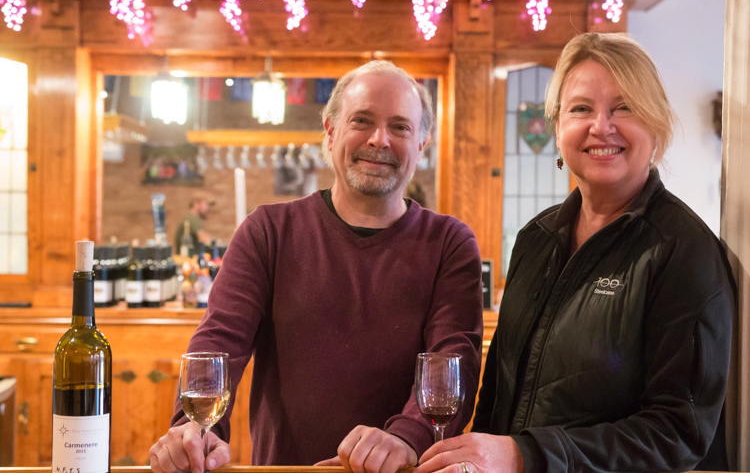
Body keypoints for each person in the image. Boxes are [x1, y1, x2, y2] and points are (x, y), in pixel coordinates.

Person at [416, 32, 735, 473]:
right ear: (559, 126)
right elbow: (498, 398)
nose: (601, 126)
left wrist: (524, 455)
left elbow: (677, 435)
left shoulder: (685, 252)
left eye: (624, 107)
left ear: (657, 125)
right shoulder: (536, 238)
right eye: (581, 108)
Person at [150, 60, 484, 473]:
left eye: (400, 127)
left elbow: (454, 365)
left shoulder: (450, 243)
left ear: (422, 143)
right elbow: (219, 344)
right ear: (330, 130)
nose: (380, 140)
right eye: (362, 120)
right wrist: (196, 430)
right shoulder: (267, 231)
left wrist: (405, 438)